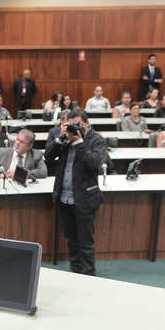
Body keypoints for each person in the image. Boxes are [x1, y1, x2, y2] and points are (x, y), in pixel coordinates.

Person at [44, 110, 107, 276]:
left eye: (78, 124)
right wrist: (60, 138)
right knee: (71, 237)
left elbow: (94, 163)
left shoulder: (97, 140)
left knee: (85, 240)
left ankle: (89, 273)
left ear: (87, 123)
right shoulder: (65, 138)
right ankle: (75, 269)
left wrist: (78, 142)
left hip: (85, 198)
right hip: (64, 197)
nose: (75, 128)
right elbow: (48, 156)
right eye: (71, 124)